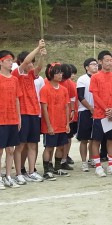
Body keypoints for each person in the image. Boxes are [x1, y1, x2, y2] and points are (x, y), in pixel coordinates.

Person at [12, 40, 46, 184]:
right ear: (21, 62)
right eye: (29, 62)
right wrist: (37, 47)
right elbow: (26, 61)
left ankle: (31, 171)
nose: (31, 64)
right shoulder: (16, 73)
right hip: (23, 113)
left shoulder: (32, 75)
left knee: (32, 144)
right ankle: (19, 172)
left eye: (32, 62)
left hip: (34, 112)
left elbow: (39, 66)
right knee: (20, 145)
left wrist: (42, 55)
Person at [89, 50, 112, 177]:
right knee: (96, 140)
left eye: (111, 61)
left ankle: (111, 165)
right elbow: (95, 95)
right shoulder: (95, 77)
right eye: (107, 60)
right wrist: (106, 109)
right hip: (99, 114)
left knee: (111, 140)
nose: (109, 63)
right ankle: (98, 166)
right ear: (100, 62)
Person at [40, 62, 70, 180]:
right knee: (49, 147)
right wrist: (49, 126)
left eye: (61, 72)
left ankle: (57, 168)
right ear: (51, 74)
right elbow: (44, 108)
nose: (61, 74)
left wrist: (67, 123)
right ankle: (47, 171)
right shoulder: (45, 89)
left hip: (62, 124)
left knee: (61, 147)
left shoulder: (63, 89)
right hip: (51, 124)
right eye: (58, 72)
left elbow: (67, 107)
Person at [0, 50, 22, 189]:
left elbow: (17, 99)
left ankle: (8, 176)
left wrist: (19, 117)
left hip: (12, 118)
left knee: (10, 150)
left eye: (12, 61)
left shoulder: (15, 79)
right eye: (8, 60)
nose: (11, 63)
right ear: (1, 62)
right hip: (1, 119)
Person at [77, 58, 98, 172]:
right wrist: (90, 108)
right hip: (85, 111)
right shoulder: (82, 79)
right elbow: (80, 96)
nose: (95, 66)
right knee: (84, 139)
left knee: (95, 138)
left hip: (98, 112)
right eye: (92, 64)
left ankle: (92, 159)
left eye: (96, 64)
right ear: (86, 67)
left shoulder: (99, 77)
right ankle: (84, 161)